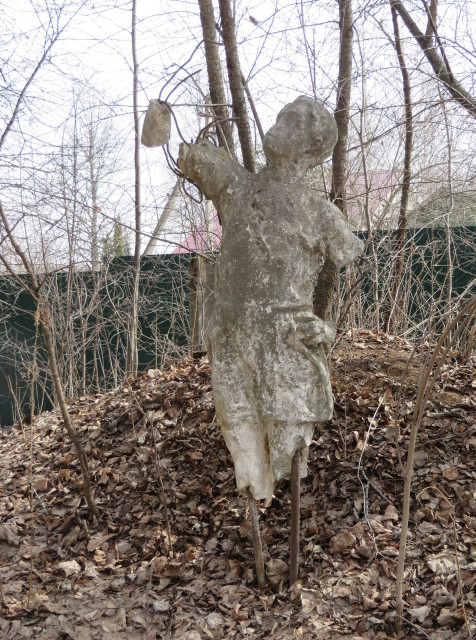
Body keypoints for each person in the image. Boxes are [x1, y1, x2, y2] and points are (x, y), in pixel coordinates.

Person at [178, 96, 363, 500]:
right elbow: (191, 159)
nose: (281, 121)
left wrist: (327, 329)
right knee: (244, 450)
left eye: (294, 120)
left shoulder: (319, 213)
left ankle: (288, 524)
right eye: (282, 115)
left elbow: (352, 255)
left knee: (287, 451)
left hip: (285, 345)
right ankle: (256, 520)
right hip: (231, 338)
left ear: (313, 147)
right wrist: (175, 129)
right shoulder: (237, 186)